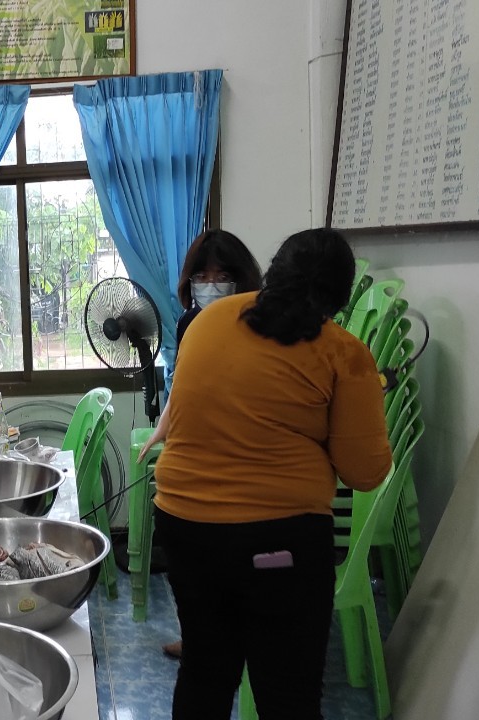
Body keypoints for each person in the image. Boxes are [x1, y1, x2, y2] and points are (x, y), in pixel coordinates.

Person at [153, 228, 392, 718]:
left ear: (271, 271)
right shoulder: (343, 352)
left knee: (205, 667)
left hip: (182, 526)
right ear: (340, 296)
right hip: (278, 539)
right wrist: (364, 407)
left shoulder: (206, 321)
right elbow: (365, 472)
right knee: (287, 690)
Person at [140, 229, 263, 659]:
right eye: (202, 275)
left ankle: (230, 636)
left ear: (243, 278)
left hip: (242, 459)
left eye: (222, 275)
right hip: (198, 456)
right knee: (179, 536)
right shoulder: (189, 322)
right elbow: (183, 386)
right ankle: (198, 634)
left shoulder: (262, 325)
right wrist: (162, 431)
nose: (211, 284)